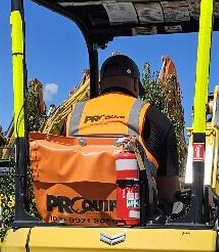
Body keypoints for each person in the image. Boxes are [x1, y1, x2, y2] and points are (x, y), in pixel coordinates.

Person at [67, 55, 181, 208]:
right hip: (134, 216)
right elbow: (169, 194)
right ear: (135, 85)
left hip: (72, 212)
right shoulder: (154, 117)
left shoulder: (72, 115)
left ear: (100, 85)